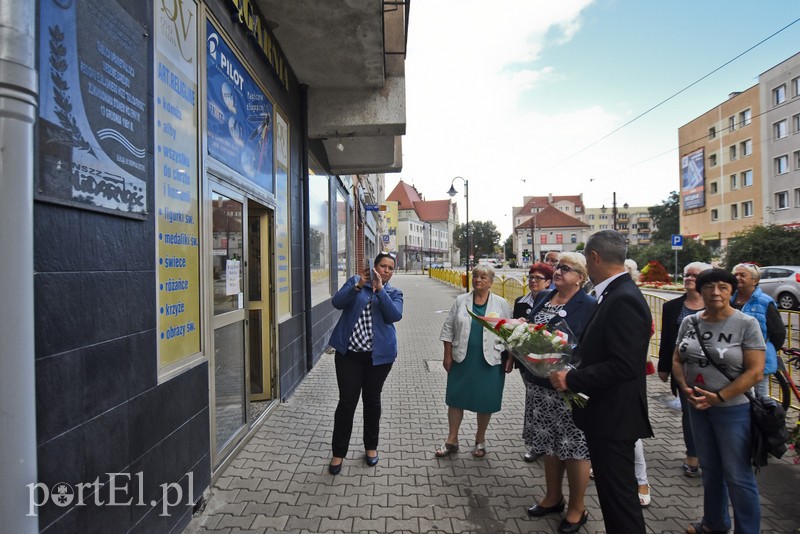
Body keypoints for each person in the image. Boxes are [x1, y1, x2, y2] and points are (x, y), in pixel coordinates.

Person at [550, 230, 653, 534]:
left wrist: (572, 378)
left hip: (615, 417)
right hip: (606, 415)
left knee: (620, 501)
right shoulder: (614, 292)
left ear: (594, 258)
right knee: (612, 497)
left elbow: (624, 365)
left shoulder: (623, 298)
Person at [672, 268, 765, 534]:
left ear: (731, 290)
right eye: (709, 287)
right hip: (698, 408)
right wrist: (684, 387)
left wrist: (720, 396)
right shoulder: (690, 323)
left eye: (723, 287)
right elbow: (678, 358)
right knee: (711, 470)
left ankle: (747, 530)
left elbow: (755, 371)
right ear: (699, 291)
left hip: (733, 411)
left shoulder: (746, 324)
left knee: (738, 476)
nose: (715, 293)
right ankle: (714, 523)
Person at [523, 252, 596, 534]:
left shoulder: (589, 305)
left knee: (574, 448)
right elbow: (531, 329)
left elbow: (590, 346)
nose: (557, 271)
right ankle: (553, 497)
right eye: (557, 267)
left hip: (569, 386)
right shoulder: (545, 297)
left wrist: (570, 368)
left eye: (565, 268)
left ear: (580, 277)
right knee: (549, 444)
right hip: (540, 385)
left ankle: (577, 508)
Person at [326, 252, 404, 475]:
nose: (386, 271)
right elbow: (337, 302)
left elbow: (394, 315)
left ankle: (371, 447)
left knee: (372, 402)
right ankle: (338, 453)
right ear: (373, 266)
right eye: (382, 266)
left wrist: (380, 290)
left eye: (390, 268)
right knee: (347, 403)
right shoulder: (355, 282)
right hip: (348, 355)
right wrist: (359, 284)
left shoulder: (394, 293)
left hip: (378, 359)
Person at [436, 264, 513, 459]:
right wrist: (447, 355)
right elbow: (448, 329)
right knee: (455, 399)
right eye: (475, 276)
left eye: (483, 277)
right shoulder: (461, 300)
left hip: (490, 360)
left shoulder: (501, 303)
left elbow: (511, 334)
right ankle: (452, 440)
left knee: (485, 401)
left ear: (491, 282)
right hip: (462, 357)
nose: (478, 280)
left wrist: (511, 358)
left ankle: (480, 439)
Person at [658, 262, 712, 477]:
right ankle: (693, 457)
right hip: (685, 371)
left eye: (694, 275)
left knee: (712, 413)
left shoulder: (716, 303)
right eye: (686, 274)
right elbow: (667, 340)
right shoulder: (672, 307)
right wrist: (664, 367)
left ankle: (712, 455)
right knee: (690, 415)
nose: (689, 278)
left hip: (714, 372)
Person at [513, 262, 555, 463]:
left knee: (549, 404)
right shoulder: (520, 301)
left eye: (538, 278)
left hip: (551, 362)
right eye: (530, 277)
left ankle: (550, 443)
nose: (533, 281)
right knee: (533, 402)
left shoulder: (554, 301)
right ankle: (536, 444)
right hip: (526, 361)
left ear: (548, 282)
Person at [731, 263, 786, 398]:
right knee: (742, 395)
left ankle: (763, 418)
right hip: (734, 356)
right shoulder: (729, 299)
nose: (737, 278)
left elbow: (778, 332)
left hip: (758, 357)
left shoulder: (764, 301)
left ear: (754, 280)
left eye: (742, 275)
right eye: (735, 275)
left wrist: (765, 348)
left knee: (761, 396)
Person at [624, 258, 652, 507]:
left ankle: (641, 480)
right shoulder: (598, 293)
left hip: (628, 377)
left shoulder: (631, 297)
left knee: (631, 434)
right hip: (604, 380)